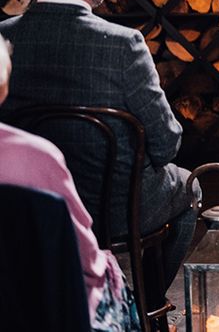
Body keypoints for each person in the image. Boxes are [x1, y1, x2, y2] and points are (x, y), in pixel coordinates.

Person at [0, 0, 199, 295]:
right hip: (112, 211)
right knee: (190, 187)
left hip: (27, 204)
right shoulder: (124, 44)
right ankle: (142, 303)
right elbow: (165, 144)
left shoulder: (3, 38)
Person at [0, 34, 142, 330]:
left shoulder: (11, 28)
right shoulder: (36, 156)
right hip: (37, 309)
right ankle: (153, 297)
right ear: (3, 87)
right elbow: (85, 259)